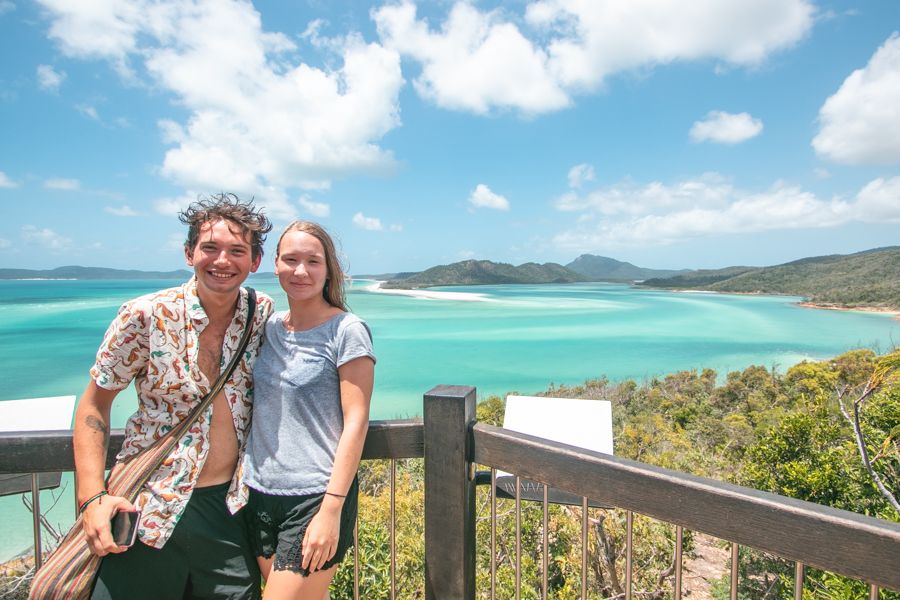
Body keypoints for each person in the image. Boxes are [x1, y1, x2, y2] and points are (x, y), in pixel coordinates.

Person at [72, 193, 274, 600]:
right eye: (210, 248)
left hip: (230, 507)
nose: (222, 261)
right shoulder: (144, 315)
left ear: (254, 262)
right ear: (189, 253)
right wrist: (91, 498)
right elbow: (95, 405)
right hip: (148, 506)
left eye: (237, 251)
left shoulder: (262, 312)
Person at [242, 221, 375, 599]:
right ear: (276, 266)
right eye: (291, 259)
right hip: (258, 492)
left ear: (329, 269)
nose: (301, 271)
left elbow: (356, 421)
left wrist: (331, 510)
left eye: (313, 261)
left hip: (315, 497)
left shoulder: (346, 330)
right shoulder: (267, 328)